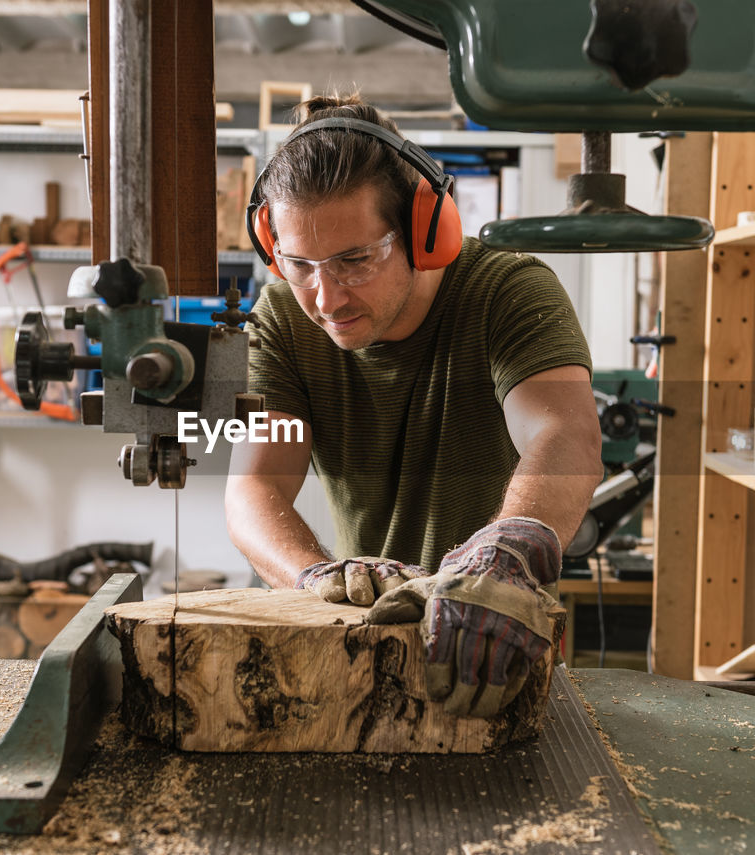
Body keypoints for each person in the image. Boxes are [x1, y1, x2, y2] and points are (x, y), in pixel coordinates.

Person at [225, 94, 602, 718]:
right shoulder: (283, 320)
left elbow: (566, 436)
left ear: (426, 231)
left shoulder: (506, 291)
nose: (326, 297)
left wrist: (505, 553)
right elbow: (254, 488)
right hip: (364, 644)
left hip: (497, 638)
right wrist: (316, 577)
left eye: (354, 260)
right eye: (299, 264)